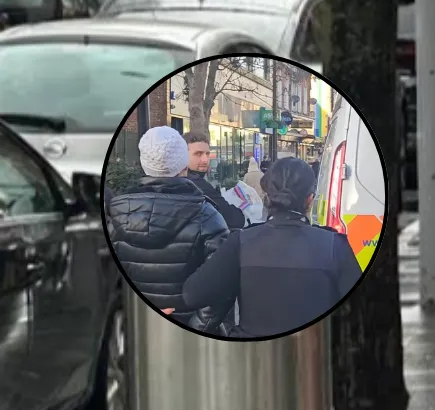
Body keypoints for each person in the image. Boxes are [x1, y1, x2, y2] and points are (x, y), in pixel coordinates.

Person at [182, 157, 363, 338]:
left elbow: (193, 294)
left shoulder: (241, 242)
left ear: (267, 196)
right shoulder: (334, 246)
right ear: (309, 200)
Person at [105, 126, 231, 332]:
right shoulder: (207, 216)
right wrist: (198, 326)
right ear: (183, 163)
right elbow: (222, 286)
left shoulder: (116, 213)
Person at [183, 131, 246, 229]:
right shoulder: (198, 186)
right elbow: (235, 220)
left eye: (207, 154)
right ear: (183, 155)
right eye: (198, 154)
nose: (205, 160)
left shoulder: (175, 180)